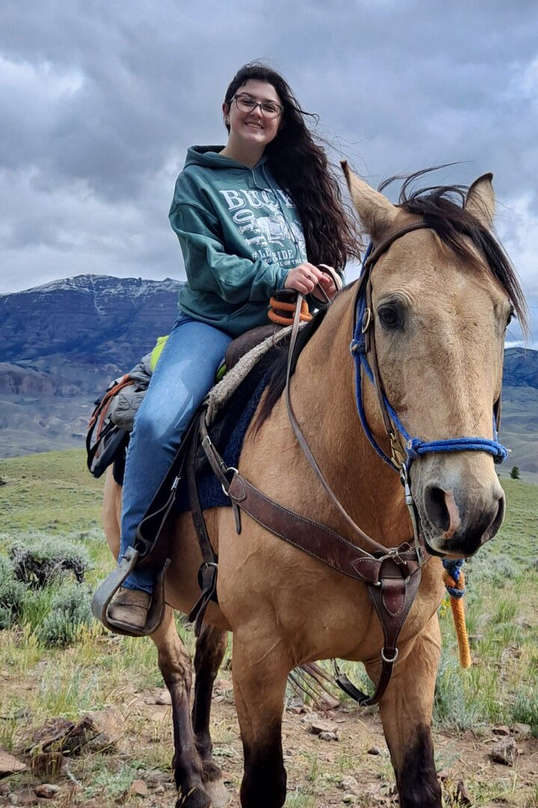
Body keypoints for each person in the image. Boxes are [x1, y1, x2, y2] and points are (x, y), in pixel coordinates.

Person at [107, 62, 361, 632]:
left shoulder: (283, 186)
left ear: (279, 121)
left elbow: (298, 259)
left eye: (269, 107)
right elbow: (209, 267)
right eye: (247, 101)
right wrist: (281, 274)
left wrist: (317, 279)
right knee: (156, 423)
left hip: (290, 322)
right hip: (213, 324)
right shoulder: (196, 182)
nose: (257, 112)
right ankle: (140, 569)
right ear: (226, 111)